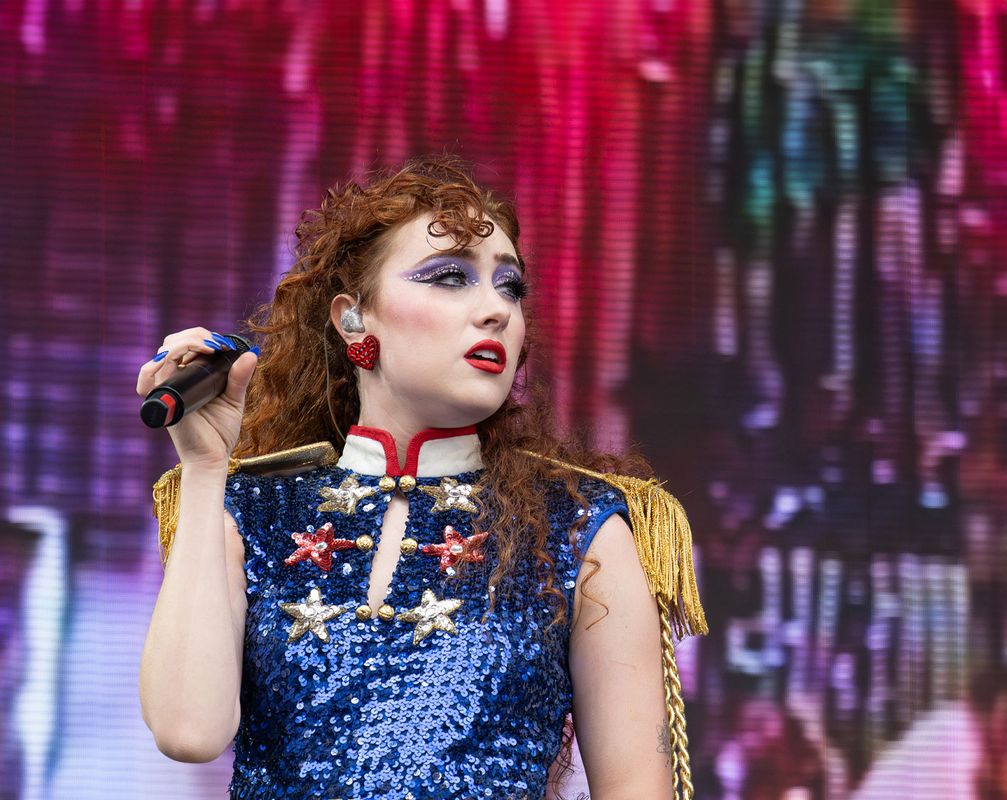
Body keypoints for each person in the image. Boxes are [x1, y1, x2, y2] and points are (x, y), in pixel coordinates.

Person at [136, 155, 708, 799]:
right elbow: (188, 732)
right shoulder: (252, 508)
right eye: (450, 277)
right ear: (354, 319)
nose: (495, 310)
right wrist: (208, 470)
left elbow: (636, 788)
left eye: (510, 287)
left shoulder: (578, 525)